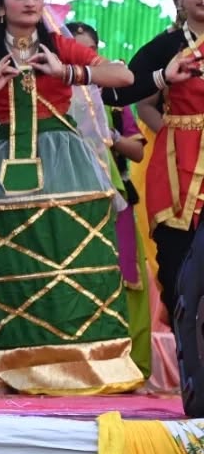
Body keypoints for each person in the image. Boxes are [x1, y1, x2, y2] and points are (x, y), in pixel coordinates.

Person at [0, 0, 140, 395]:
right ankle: (15, 367)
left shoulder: (58, 45)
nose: (30, 2)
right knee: (15, 262)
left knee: (72, 254)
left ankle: (92, 363)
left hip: (64, 161)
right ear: (1, 6)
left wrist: (68, 73)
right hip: (5, 164)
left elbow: (123, 76)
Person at [102, 0, 204, 321]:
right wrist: (178, 130)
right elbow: (120, 94)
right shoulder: (166, 46)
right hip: (177, 163)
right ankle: (186, 350)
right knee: (178, 261)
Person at [68, 21, 151, 379]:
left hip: (116, 198)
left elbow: (136, 151)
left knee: (127, 275)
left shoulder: (113, 100)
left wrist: (108, 134)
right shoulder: (52, 100)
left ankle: (136, 367)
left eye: (88, 51)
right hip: (70, 199)